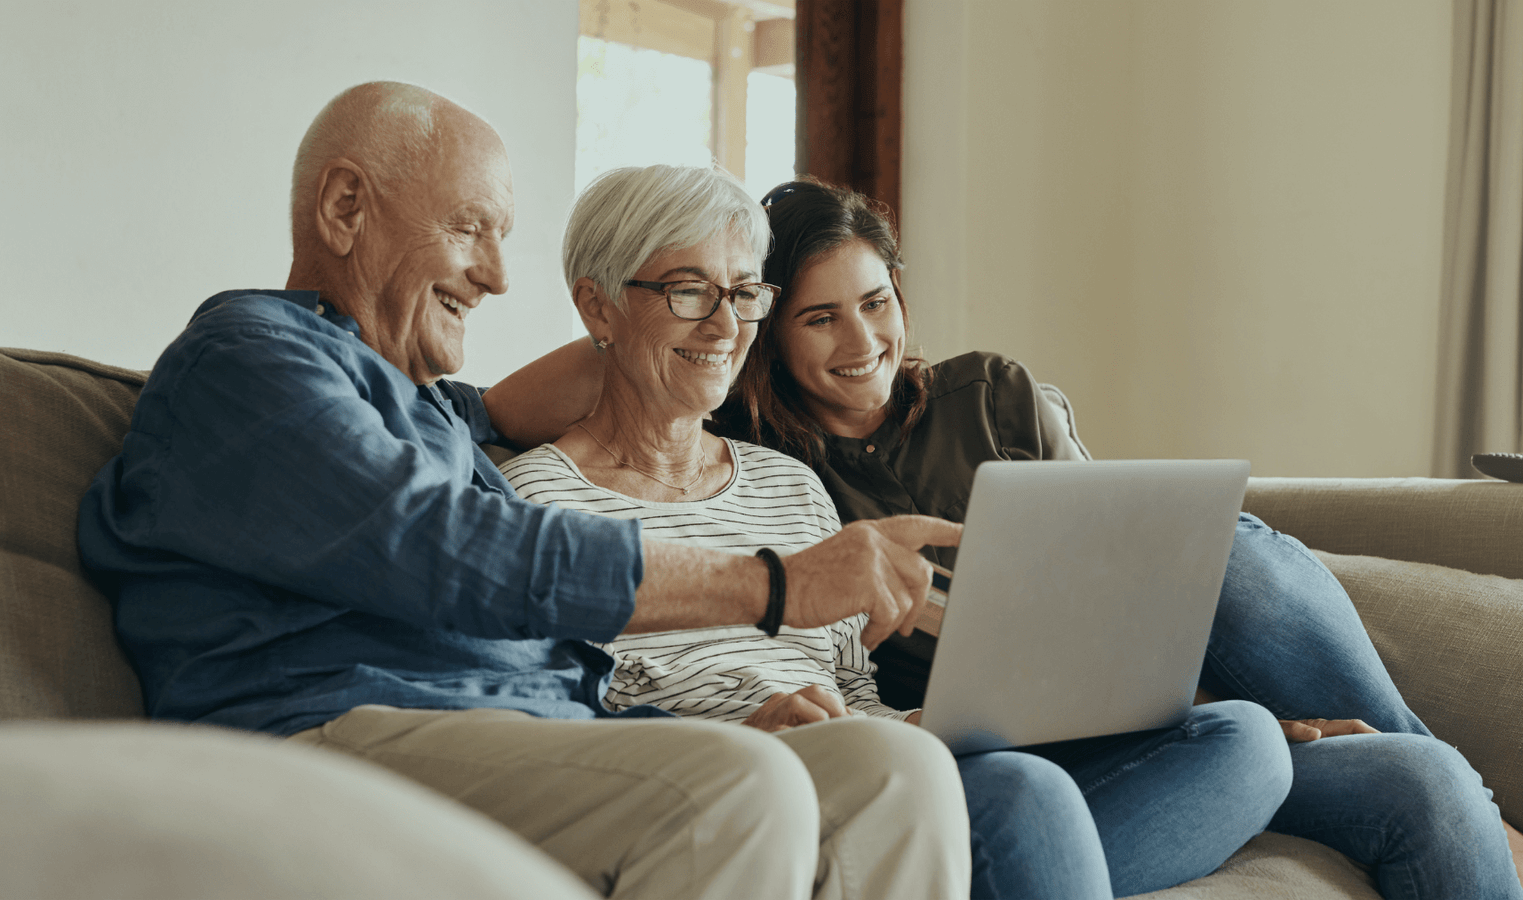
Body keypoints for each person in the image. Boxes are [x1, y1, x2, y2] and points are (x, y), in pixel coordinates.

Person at [76, 83, 976, 900]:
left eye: (502, 237)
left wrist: (619, 363)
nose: (499, 276)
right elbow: (449, 546)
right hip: (326, 725)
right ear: (347, 206)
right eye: (471, 227)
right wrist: (778, 584)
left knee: (895, 770)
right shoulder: (246, 363)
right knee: (738, 787)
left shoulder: (424, 406)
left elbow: (499, 415)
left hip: (523, 727)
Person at [723, 179, 1523, 900]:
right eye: (820, 318)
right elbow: (604, 382)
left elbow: (1127, 580)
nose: (863, 341)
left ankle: (1467, 791)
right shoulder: (762, 469)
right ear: (770, 332)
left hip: (1135, 719)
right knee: (1238, 730)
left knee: (1412, 771)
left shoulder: (989, 395)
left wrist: (1201, 703)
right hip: (996, 762)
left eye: (876, 303)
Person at [495, 164, 1298, 900]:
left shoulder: (787, 482)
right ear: (595, 304)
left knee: (1243, 737)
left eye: (743, 294)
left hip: (890, 767)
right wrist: (733, 736)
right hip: (737, 789)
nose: (722, 326)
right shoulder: (528, 505)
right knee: (1027, 792)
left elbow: (853, 690)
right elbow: (552, 728)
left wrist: (915, 724)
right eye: (687, 291)